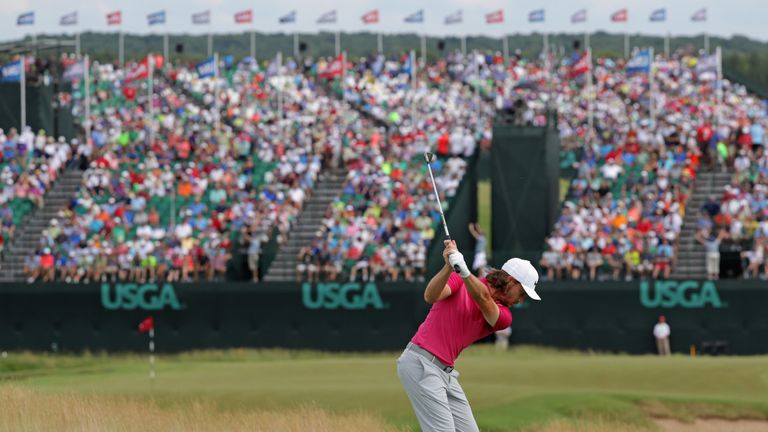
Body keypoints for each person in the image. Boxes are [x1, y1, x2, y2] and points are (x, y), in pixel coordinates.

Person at [397, 240, 541, 431]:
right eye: (521, 293)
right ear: (510, 281)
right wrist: (448, 267)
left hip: (446, 373)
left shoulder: (504, 315)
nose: (520, 300)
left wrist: (464, 271)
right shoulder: (460, 281)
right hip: (421, 363)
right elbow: (430, 296)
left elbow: (483, 299)